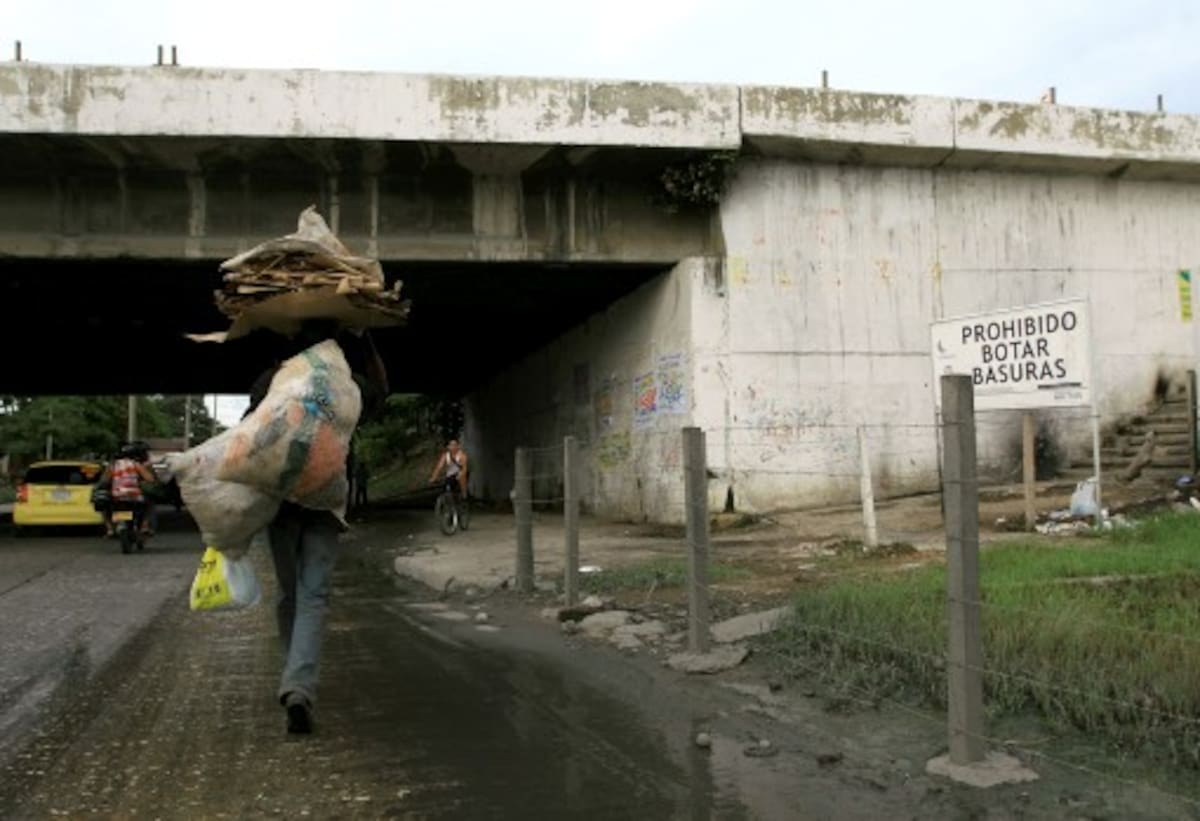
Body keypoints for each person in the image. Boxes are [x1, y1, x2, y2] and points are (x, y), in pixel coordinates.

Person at [244, 320, 388, 735]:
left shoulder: (272, 380)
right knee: (314, 595)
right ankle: (299, 686)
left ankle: (295, 679)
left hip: (281, 501)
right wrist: (368, 341)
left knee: (290, 593)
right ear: (335, 348)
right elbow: (382, 390)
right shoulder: (348, 384)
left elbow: (251, 435)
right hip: (325, 498)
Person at [98, 442, 157, 537]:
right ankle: (144, 526)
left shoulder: (113, 465)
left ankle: (110, 529)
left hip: (117, 495)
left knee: (105, 505)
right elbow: (150, 479)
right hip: (134, 495)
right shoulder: (136, 464)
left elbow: (105, 480)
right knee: (148, 505)